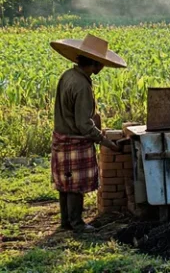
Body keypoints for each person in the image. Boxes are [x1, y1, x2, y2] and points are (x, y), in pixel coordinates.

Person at [49, 33, 128, 233]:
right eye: (100, 64)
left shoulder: (68, 75)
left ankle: (66, 221)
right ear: (94, 63)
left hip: (61, 137)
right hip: (75, 140)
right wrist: (106, 141)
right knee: (75, 183)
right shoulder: (82, 85)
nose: (101, 67)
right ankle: (76, 223)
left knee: (65, 182)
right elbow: (84, 125)